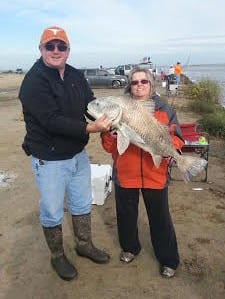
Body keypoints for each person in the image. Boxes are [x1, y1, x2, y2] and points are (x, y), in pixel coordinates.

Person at [19, 26, 111, 281]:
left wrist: (111, 120)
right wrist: (91, 127)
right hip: (48, 160)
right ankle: (58, 256)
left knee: (82, 203)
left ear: (68, 50)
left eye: (62, 46)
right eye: (50, 46)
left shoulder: (75, 75)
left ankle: (84, 244)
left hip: (77, 156)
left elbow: (90, 104)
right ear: (41, 49)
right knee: (51, 210)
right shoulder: (33, 81)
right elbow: (51, 120)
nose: (56, 51)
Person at [101, 67, 184, 278]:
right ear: (130, 85)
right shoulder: (117, 107)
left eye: (143, 82)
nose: (139, 85)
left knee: (160, 219)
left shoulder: (164, 109)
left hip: (155, 173)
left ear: (151, 84)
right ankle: (130, 248)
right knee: (126, 216)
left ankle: (168, 259)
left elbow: (177, 137)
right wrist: (110, 134)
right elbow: (109, 147)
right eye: (135, 82)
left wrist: (170, 150)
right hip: (125, 173)